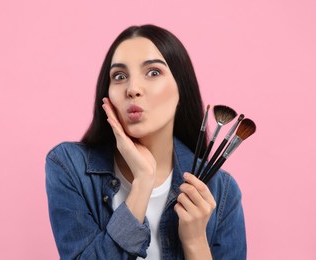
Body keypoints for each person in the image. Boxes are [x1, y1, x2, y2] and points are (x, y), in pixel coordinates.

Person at [45, 24, 246, 259]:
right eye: (119, 76)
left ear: (181, 88)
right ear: (107, 94)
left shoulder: (221, 191)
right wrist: (142, 183)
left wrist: (195, 241)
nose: (133, 89)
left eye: (153, 72)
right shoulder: (69, 167)